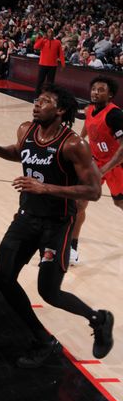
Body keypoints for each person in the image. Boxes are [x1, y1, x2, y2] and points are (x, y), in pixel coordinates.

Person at [0, 84, 114, 368]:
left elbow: (93, 191)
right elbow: (19, 152)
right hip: (26, 217)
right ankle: (43, 340)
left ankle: (99, 318)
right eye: (37, 100)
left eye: (45, 101)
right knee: (4, 278)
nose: (36, 104)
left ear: (60, 111)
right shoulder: (26, 129)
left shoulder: (73, 145)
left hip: (57, 224)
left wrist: (46, 189)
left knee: (49, 292)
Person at [72, 76, 123, 264]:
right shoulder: (90, 109)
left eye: (101, 90)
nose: (96, 92)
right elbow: (88, 123)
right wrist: (79, 139)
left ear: (110, 94)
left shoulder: (115, 115)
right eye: (94, 89)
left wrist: (104, 170)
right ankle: (72, 248)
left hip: (117, 166)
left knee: (119, 203)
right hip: (95, 163)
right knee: (79, 203)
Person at [33, 28, 65, 97]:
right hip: (42, 64)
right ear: (47, 33)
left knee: (50, 83)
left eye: (51, 32)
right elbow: (35, 46)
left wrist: (63, 64)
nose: (50, 34)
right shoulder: (43, 41)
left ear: (53, 34)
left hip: (53, 66)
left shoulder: (58, 42)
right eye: (49, 32)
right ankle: (37, 96)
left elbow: (61, 54)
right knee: (40, 81)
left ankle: (48, 96)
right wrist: (42, 39)